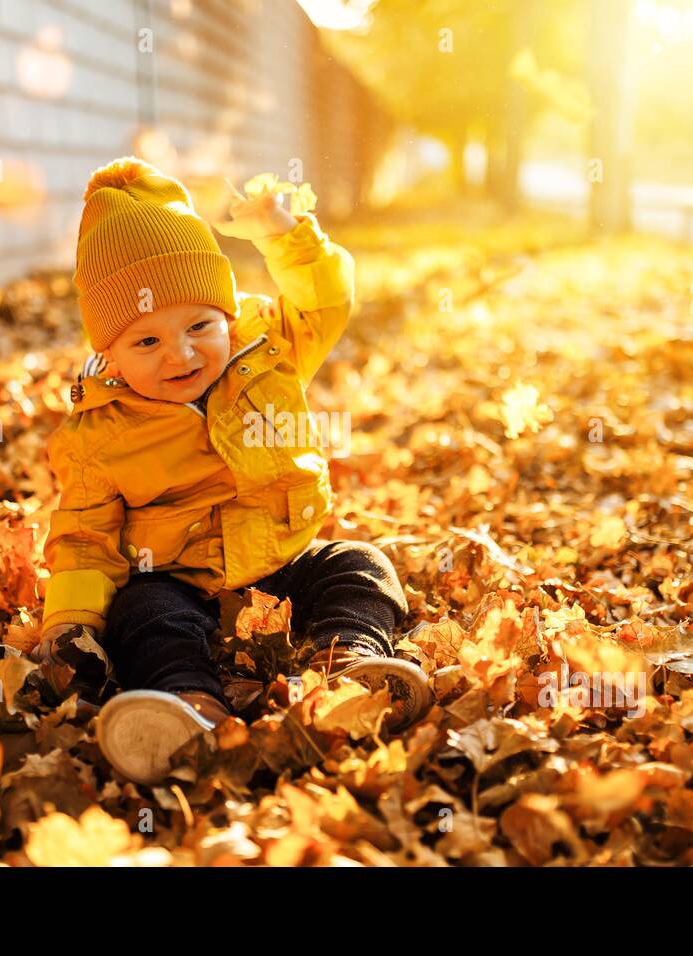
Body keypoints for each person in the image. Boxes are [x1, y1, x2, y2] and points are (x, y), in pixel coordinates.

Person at [36, 156, 430, 785]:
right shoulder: (99, 433)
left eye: (199, 325)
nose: (182, 353)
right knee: (143, 616)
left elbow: (327, 299)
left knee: (361, 564)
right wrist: (71, 625)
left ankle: (345, 666)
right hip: (178, 579)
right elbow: (84, 538)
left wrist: (285, 234)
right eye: (148, 342)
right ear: (107, 353)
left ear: (226, 315)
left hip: (281, 564)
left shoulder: (268, 351)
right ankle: (188, 705)